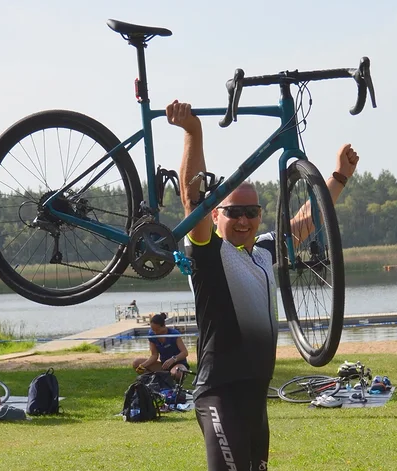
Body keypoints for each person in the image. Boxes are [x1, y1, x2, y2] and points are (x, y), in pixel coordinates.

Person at [166, 99, 359, 470]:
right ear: (216, 215)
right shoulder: (209, 254)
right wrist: (193, 132)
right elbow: (193, 200)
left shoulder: (265, 251)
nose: (244, 220)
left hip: (255, 398)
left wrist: (338, 177)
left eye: (251, 212)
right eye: (234, 212)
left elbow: (306, 220)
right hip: (219, 395)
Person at [132, 313, 189, 380]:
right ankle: (153, 380)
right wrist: (142, 366)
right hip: (163, 365)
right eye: (153, 330)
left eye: (157, 330)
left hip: (178, 363)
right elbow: (154, 355)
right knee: (136, 363)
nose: (155, 333)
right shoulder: (152, 335)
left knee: (177, 373)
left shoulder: (174, 334)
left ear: (164, 325)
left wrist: (173, 359)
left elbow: (185, 352)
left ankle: (169, 378)